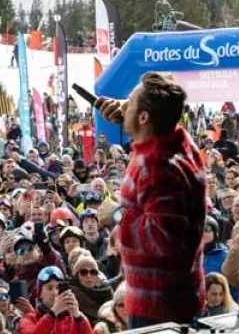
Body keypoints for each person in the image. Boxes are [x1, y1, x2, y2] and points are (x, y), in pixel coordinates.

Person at [97, 72, 206, 327]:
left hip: (158, 309)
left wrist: (117, 214)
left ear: (145, 117)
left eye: (130, 102)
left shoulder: (158, 167)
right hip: (172, 298)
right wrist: (131, 117)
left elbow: (163, 238)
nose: (123, 105)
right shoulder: (179, 143)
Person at [19, 266, 93, 334]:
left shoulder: (76, 318)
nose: (55, 293)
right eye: (49, 288)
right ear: (40, 294)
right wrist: (53, 313)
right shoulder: (29, 318)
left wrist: (78, 316)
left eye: (58, 288)